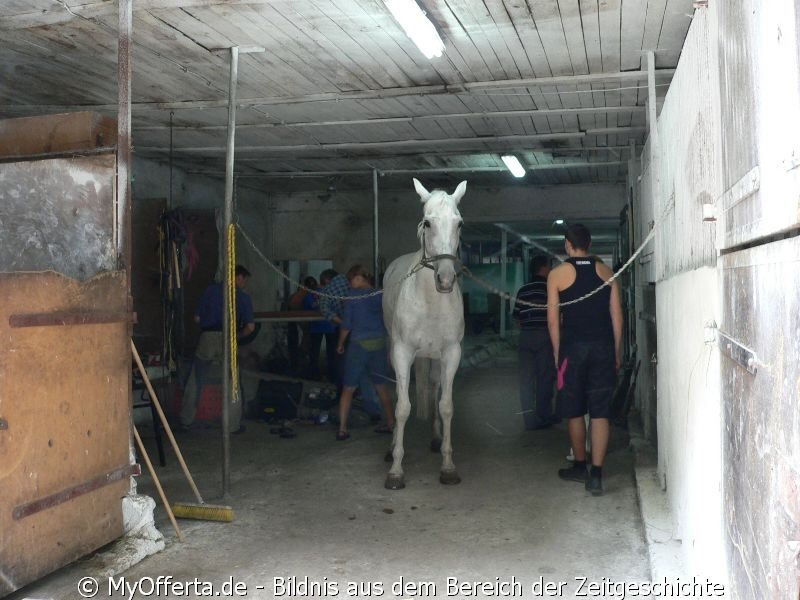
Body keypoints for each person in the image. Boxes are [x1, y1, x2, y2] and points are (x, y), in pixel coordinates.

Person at [547, 224, 623, 496]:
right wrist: (615, 352)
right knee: (601, 411)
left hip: (573, 351)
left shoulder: (557, 275)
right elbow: (617, 317)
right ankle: (597, 474)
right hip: (602, 348)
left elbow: (554, 321)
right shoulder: (607, 273)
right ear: (589, 244)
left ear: (568, 245)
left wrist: (558, 354)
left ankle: (580, 465)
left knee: (575, 410)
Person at [180, 264, 256, 434]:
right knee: (232, 382)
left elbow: (197, 318)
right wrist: (237, 336)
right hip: (228, 338)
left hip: (207, 337)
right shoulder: (242, 297)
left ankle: (186, 419)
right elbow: (250, 327)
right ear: (238, 277)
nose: (245, 283)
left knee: (196, 378)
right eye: (245, 279)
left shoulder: (210, 291)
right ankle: (232, 426)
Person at [334, 264, 395, 441]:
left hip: (358, 345)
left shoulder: (352, 296)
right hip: (378, 344)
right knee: (381, 386)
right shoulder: (380, 294)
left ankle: (342, 428)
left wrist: (340, 343)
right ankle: (391, 423)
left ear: (359, 278)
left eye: (351, 279)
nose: (349, 283)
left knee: (348, 388)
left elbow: (347, 324)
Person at [319, 268, 385, 424]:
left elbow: (327, 312)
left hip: (352, 336)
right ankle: (375, 409)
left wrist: (341, 336)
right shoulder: (373, 292)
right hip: (374, 336)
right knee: (373, 377)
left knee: (349, 378)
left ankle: (343, 421)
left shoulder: (331, 291)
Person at [513, 254, 558, 430]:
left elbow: (517, 318)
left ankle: (529, 421)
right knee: (545, 379)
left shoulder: (523, 290)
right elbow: (556, 318)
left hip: (525, 337)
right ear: (544, 268)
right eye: (549, 267)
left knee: (526, 380)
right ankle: (544, 416)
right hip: (545, 336)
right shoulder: (550, 289)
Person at [302, 279, 337, 381]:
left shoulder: (309, 295)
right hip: (330, 325)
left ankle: (314, 375)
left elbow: (305, 310)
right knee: (331, 354)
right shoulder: (331, 293)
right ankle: (332, 375)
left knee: (314, 353)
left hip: (316, 327)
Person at [287, 276, 316, 375]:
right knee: (305, 339)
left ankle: (300, 363)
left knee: (305, 339)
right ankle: (301, 363)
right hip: (298, 319)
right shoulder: (304, 293)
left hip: (297, 319)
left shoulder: (301, 293)